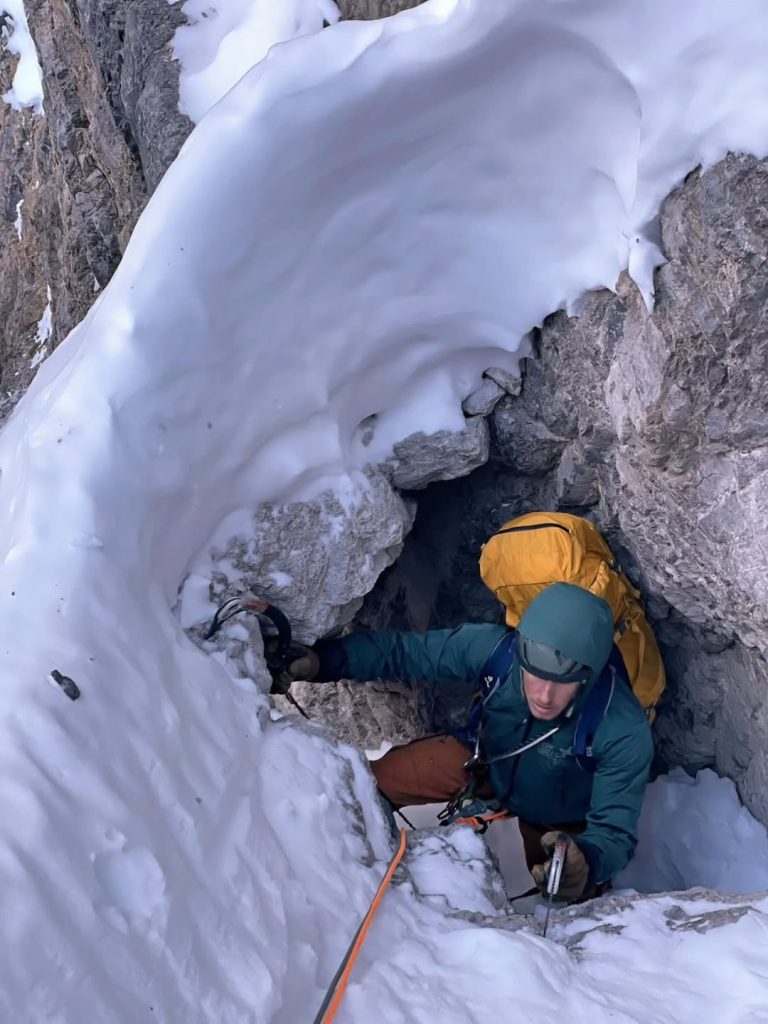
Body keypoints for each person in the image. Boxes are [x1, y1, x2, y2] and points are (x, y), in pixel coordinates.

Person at [274, 582, 654, 902]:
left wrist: (586, 861)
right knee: (371, 782)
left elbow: (614, 830)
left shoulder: (621, 729)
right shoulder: (497, 653)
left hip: (557, 821)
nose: (544, 695)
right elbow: (406, 653)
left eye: (563, 682)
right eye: (534, 674)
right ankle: (320, 855)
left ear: (590, 675)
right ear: (520, 650)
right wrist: (325, 662)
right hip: (484, 763)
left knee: (564, 890)